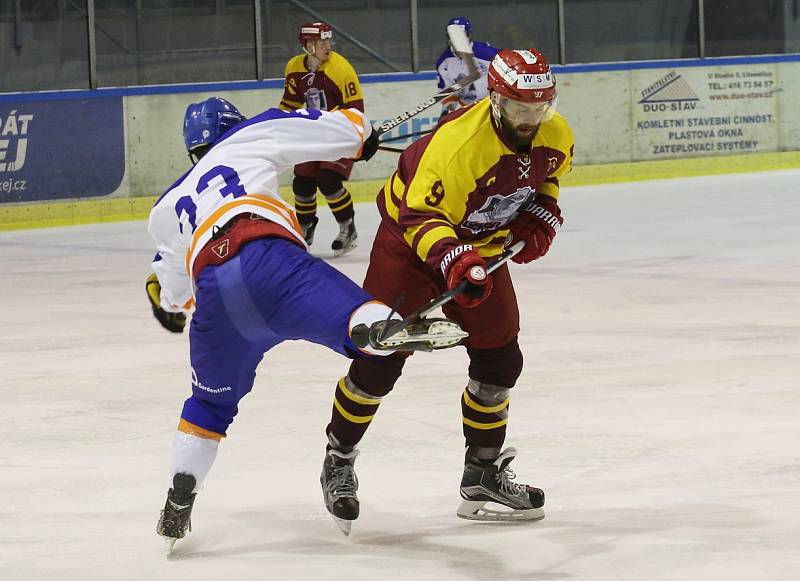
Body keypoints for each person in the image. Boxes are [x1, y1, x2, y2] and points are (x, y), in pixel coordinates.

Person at [146, 97, 467, 552]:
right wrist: (359, 135)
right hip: (268, 262)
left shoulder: (163, 211)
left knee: (208, 409)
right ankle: (377, 329)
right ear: (230, 127)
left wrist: (171, 303)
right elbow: (331, 128)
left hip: (216, 297)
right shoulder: (247, 135)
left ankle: (181, 492)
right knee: (351, 313)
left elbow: (175, 295)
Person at [320, 48, 574, 527]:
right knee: (380, 360)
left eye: (539, 109)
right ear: (496, 100)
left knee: (501, 358)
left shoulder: (554, 133)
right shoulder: (459, 146)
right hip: (411, 249)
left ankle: (482, 474)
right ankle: (339, 458)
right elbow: (420, 215)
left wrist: (541, 214)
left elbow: (549, 179)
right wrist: (456, 259)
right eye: (521, 109)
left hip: (479, 249)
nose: (530, 119)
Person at [279, 21, 365, 255]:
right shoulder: (294, 67)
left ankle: (348, 227)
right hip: (313, 136)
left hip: (339, 135)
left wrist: (356, 136)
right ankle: (305, 227)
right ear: (308, 45)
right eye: (321, 42)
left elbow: (356, 108)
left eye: (329, 41)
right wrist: (280, 125)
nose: (328, 46)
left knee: (328, 180)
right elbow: (290, 103)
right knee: (302, 184)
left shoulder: (340, 68)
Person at [436, 16, 499, 115]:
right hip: (466, 112)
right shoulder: (444, 62)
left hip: (490, 108)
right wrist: (447, 114)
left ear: (469, 36)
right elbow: (449, 96)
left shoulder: (486, 54)